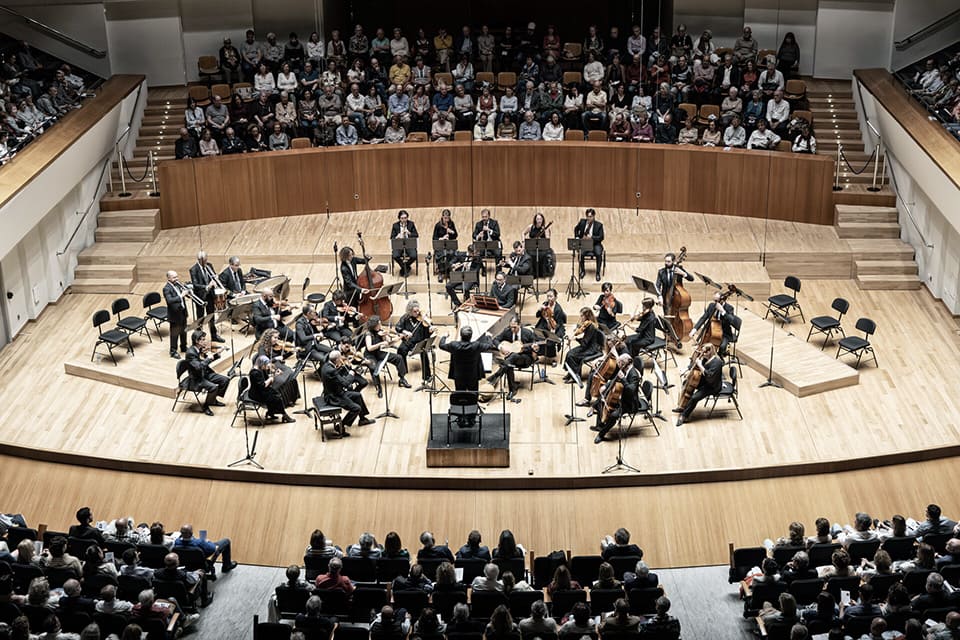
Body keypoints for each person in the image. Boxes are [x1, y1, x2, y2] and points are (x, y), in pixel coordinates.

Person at [321, 350, 373, 434]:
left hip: (335, 392)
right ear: (337, 359)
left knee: (358, 395)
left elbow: (336, 380)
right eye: (340, 358)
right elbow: (345, 384)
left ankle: (362, 419)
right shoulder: (332, 371)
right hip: (334, 397)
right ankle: (341, 426)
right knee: (356, 408)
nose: (341, 359)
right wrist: (351, 374)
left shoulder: (325, 365)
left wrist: (340, 369)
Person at [594, 353, 642, 444]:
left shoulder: (634, 375)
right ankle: (600, 425)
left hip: (629, 403)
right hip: (621, 397)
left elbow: (631, 391)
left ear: (624, 363)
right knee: (599, 401)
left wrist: (623, 379)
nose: (618, 364)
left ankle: (601, 434)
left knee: (613, 415)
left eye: (619, 363)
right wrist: (606, 386)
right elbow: (615, 379)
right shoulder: (624, 369)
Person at [489, 318, 539, 402]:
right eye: (511, 327)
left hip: (525, 358)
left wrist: (530, 349)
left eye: (514, 327)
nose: (512, 329)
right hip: (511, 359)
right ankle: (512, 389)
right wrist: (501, 348)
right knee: (509, 363)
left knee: (511, 358)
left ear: (519, 325)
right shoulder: (507, 331)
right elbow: (495, 340)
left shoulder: (528, 333)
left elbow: (535, 347)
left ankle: (497, 375)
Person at [675, 343, 722, 427]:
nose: (702, 354)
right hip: (705, 381)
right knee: (687, 382)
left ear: (709, 352)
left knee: (694, 398)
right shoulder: (705, 358)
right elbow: (695, 364)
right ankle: (683, 406)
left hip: (712, 386)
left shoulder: (717, 363)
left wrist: (700, 365)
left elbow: (709, 376)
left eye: (704, 352)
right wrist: (687, 370)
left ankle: (684, 416)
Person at [183, 330, 230, 416]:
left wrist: (219, 352)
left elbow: (206, 361)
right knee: (213, 387)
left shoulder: (199, 348)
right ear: (197, 341)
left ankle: (212, 399)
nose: (205, 341)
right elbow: (199, 367)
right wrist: (208, 358)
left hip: (204, 373)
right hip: (196, 378)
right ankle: (206, 407)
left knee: (225, 380)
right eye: (203, 339)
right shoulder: (190, 353)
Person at [439, 326, 494, 392]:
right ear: (471, 336)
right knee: (473, 393)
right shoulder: (476, 345)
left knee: (460, 394)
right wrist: (488, 336)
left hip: (459, 375)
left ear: (460, 335)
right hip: (473, 375)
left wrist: (444, 336)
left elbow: (441, 345)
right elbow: (490, 346)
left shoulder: (454, 345)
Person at [365, 315, 412, 390]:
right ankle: (378, 387)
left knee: (399, 358)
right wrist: (380, 343)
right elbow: (369, 348)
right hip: (369, 355)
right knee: (374, 367)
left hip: (378, 353)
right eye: (379, 324)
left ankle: (402, 379)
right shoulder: (368, 334)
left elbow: (388, 343)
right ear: (374, 325)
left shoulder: (380, 331)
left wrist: (394, 338)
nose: (380, 325)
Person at [188, 250, 224, 343]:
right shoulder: (193, 269)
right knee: (200, 318)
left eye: (206, 259)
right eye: (204, 260)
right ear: (199, 260)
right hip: (200, 297)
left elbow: (213, 275)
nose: (206, 262)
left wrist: (215, 279)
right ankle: (199, 338)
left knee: (211, 316)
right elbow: (195, 285)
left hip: (210, 295)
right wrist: (207, 286)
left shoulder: (209, 265)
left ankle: (214, 335)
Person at [395, 300, 434, 382]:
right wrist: (405, 331)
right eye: (414, 311)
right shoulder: (405, 318)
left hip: (420, 341)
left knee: (424, 353)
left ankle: (427, 376)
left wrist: (430, 330)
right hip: (408, 342)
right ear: (410, 311)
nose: (417, 313)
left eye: (418, 310)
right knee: (400, 350)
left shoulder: (423, 318)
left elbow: (427, 334)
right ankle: (403, 372)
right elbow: (398, 327)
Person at [690, 290, 738, 356]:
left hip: (724, 333)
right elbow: (703, 318)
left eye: (716, 301)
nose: (715, 303)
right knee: (704, 344)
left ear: (722, 300)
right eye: (714, 301)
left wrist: (723, 311)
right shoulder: (711, 306)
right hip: (711, 331)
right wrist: (694, 329)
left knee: (722, 347)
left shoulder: (729, 308)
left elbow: (731, 321)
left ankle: (720, 358)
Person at [249, 355, 294, 423]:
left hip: (260, 390)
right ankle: (284, 415)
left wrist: (275, 374)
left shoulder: (260, 369)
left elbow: (266, 380)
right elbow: (263, 385)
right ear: (261, 364)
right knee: (276, 398)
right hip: (256, 394)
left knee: (276, 393)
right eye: (265, 365)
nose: (266, 367)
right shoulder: (254, 373)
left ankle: (270, 412)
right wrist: (270, 379)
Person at [563, 308, 603, 382]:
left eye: (582, 316)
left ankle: (576, 376)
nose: (580, 318)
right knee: (569, 353)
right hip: (587, 346)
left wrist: (576, 339)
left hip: (592, 349)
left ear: (587, 316)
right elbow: (586, 340)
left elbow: (585, 343)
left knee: (572, 355)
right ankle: (571, 373)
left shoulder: (591, 327)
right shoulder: (588, 325)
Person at [444, 244, 483, 309]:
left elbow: (475, 271)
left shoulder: (478, 259)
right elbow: (450, 263)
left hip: (470, 277)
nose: (477, 254)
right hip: (459, 275)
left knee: (466, 288)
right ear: (470, 252)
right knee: (448, 286)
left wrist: (467, 267)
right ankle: (458, 304)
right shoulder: (461, 255)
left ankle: (467, 303)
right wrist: (454, 265)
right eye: (475, 253)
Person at [657, 252, 694, 318]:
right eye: (665, 261)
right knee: (667, 317)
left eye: (668, 262)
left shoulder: (679, 269)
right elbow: (657, 285)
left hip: (678, 298)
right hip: (666, 299)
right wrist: (659, 296)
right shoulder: (661, 272)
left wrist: (683, 273)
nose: (666, 263)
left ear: (673, 261)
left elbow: (691, 279)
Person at [390, 210, 419, 278]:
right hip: (399, 245)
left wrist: (409, 233)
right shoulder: (395, 225)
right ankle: (406, 268)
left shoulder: (411, 224)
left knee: (414, 256)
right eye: (402, 218)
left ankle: (404, 268)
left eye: (405, 218)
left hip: (409, 245)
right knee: (395, 255)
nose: (404, 220)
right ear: (399, 218)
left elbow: (416, 235)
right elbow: (392, 237)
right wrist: (397, 236)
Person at [432, 209, 459, 281]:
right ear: (442, 217)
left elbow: (456, 235)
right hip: (440, 246)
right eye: (445, 218)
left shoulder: (451, 224)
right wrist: (442, 238)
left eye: (448, 218)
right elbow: (434, 238)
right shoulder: (438, 225)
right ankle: (441, 272)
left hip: (449, 245)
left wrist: (452, 232)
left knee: (451, 254)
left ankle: (448, 271)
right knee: (441, 255)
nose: (446, 220)